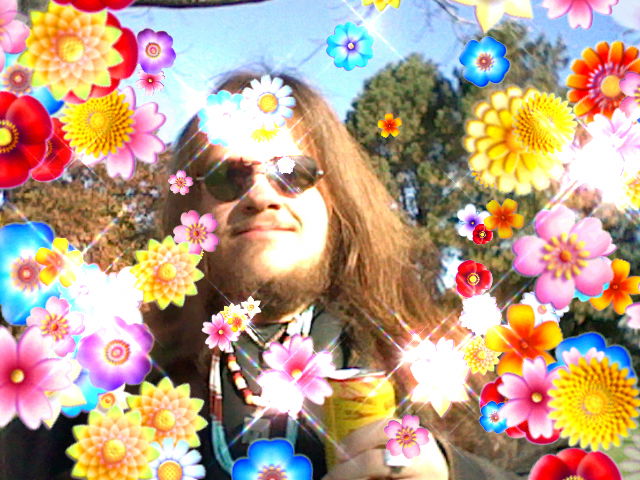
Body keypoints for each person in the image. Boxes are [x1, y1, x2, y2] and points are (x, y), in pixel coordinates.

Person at [0, 69, 538, 479]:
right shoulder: (98, 383)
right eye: (228, 176)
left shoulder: (443, 369)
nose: (260, 195)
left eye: (292, 172)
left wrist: (450, 470)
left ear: (338, 202)